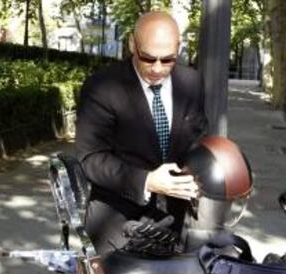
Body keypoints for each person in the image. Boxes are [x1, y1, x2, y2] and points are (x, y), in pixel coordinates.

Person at [75, 11, 208, 256]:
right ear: (132, 45)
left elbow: (197, 139)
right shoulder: (102, 87)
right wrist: (146, 181)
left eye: (167, 59)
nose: (157, 69)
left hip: (175, 222)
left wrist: (203, 171)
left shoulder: (192, 82)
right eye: (148, 58)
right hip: (116, 226)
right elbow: (90, 158)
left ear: (178, 48)